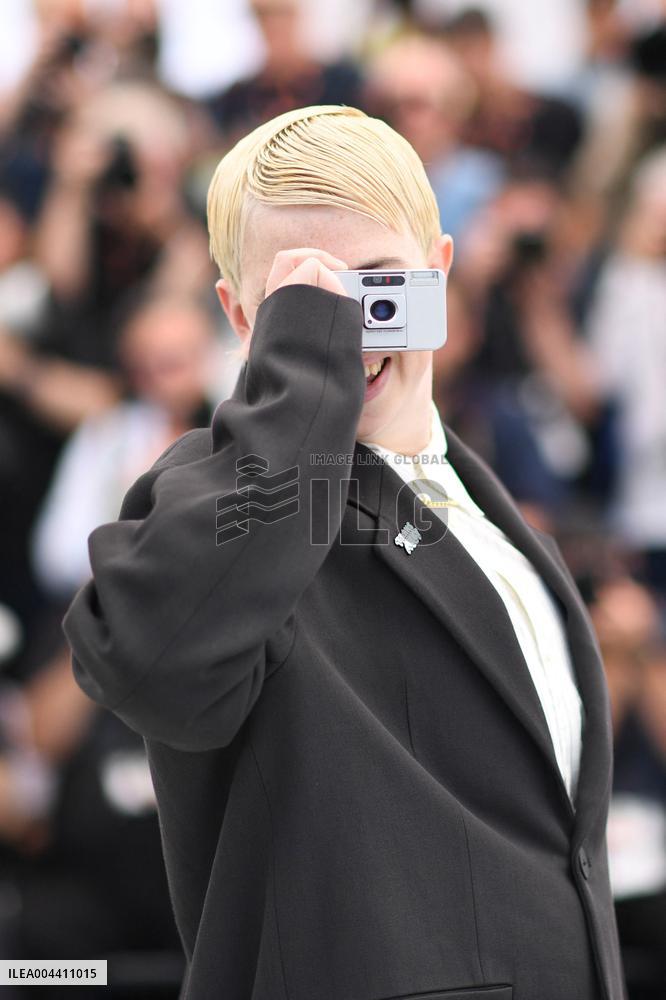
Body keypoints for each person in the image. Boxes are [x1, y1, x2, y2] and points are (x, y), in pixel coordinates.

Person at [62, 104, 627, 1000]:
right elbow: (151, 663)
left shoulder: (491, 513)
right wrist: (298, 386)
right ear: (241, 315)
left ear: (438, 271)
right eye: (305, 300)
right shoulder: (226, 499)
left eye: (378, 286)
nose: (347, 329)